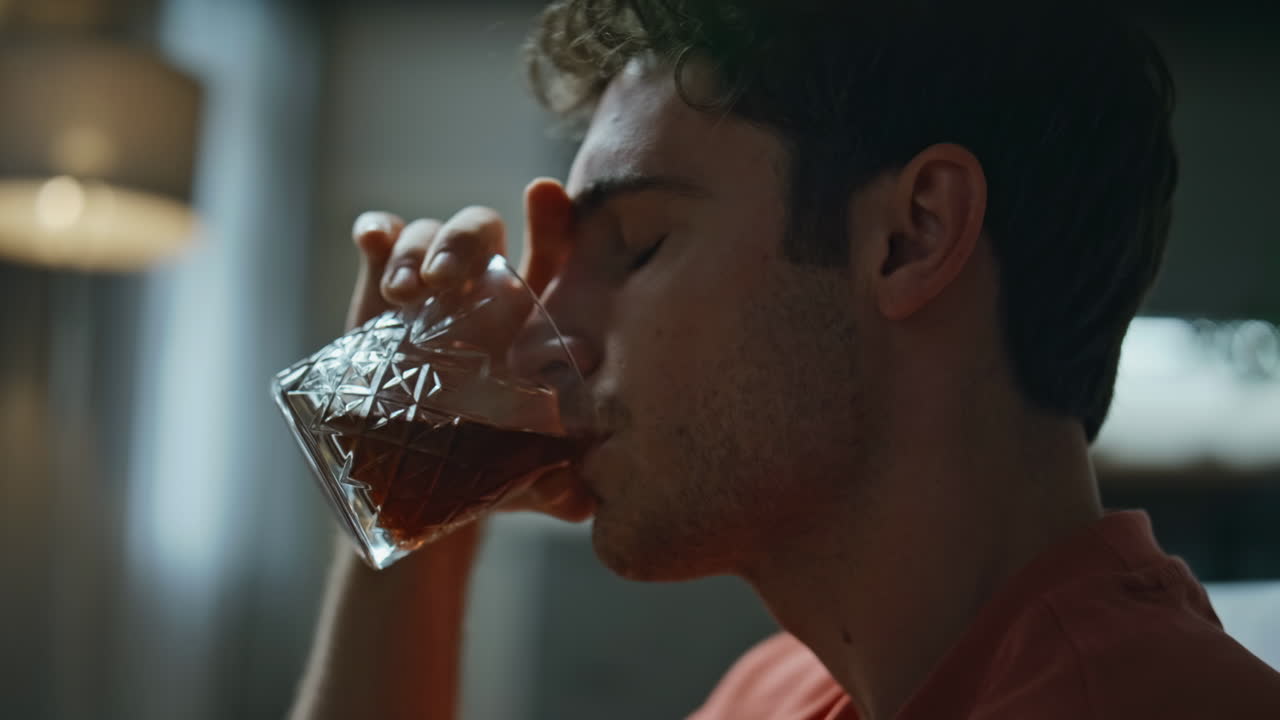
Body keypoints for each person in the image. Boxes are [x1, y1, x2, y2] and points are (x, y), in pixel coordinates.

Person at [289, 1, 1280, 718]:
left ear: (911, 236)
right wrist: (414, 494)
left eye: (636, 244)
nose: (554, 329)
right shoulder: (778, 694)